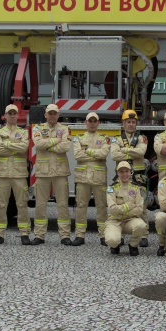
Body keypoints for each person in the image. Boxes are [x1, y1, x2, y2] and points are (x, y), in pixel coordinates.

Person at [31, 103, 72, 245]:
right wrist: (57, 141)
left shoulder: (65, 129)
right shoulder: (37, 128)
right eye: (50, 113)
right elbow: (38, 144)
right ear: (45, 115)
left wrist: (47, 144)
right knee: (40, 205)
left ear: (58, 115)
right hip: (43, 172)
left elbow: (66, 146)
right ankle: (39, 235)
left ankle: (65, 235)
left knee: (62, 204)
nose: (52, 115)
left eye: (55, 113)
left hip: (60, 172)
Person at [0, 104, 31, 246]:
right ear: (5, 115)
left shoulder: (23, 132)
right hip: (3, 174)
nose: (12, 116)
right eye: (10, 113)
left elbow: (24, 148)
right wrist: (15, 146)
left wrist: (7, 144)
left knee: (22, 204)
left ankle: (24, 233)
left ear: (17, 116)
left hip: (19, 174)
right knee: (1, 204)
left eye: (14, 113)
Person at [110, 109, 149, 244]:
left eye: (133, 122)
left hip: (138, 177)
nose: (131, 124)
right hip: (122, 177)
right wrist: (133, 152)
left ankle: (143, 236)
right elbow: (114, 155)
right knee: (121, 203)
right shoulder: (117, 139)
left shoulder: (142, 138)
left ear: (136, 124)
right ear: (123, 123)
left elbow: (141, 152)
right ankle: (119, 235)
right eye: (128, 122)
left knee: (141, 206)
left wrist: (124, 150)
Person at [72, 112, 110, 246]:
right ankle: (79, 235)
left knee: (101, 206)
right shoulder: (78, 137)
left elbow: (104, 153)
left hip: (99, 178)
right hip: (82, 178)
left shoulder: (104, 138)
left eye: (95, 121)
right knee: (81, 206)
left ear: (98, 123)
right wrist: (95, 154)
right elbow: (77, 155)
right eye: (90, 121)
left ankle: (103, 235)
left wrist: (87, 150)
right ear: (85, 122)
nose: (92, 123)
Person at [105, 161, 148, 256]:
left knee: (141, 226)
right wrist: (128, 206)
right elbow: (112, 209)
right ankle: (115, 245)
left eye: (126, 171)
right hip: (115, 221)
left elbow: (139, 209)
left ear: (130, 172)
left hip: (130, 220)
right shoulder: (112, 188)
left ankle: (133, 245)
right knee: (112, 240)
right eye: (121, 172)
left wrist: (122, 211)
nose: (124, 174)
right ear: (117, 173)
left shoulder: (136, 188)